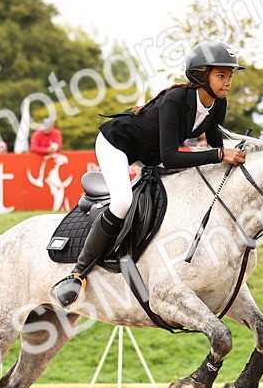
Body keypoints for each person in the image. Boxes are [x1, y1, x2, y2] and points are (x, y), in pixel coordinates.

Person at [49, 39, 247, 309]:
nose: (228, 82)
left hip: (150, 153)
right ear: (201, 75)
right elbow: (171, 156)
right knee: (122, 202)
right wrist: (220, 155)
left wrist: (229, 156)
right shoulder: (177, 100)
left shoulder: (218, 105)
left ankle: (140, 259)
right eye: (221, 75)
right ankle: (77, 274)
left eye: (230, 76)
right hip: (117, 144)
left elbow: (215, 148)